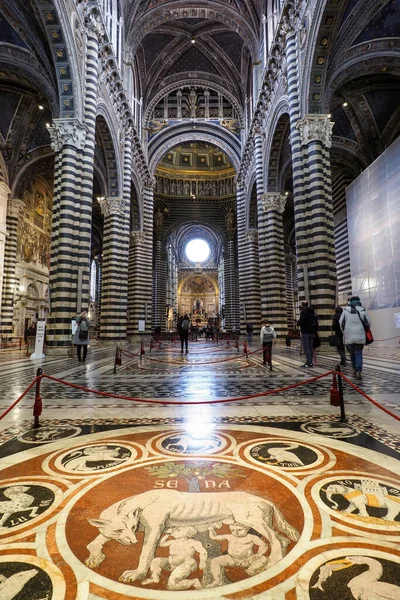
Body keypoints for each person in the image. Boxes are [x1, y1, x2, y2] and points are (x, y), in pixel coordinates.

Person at [142, 526, 206, 590]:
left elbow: (203, 552)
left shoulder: (192, 542)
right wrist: (167, 535)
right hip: (171, 562)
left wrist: (202, 561)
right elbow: (161, 544)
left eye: (178, 530)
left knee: (171, 585)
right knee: (156, 561)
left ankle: (194, 582)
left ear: (187, 533)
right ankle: (154, 577)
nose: (174, 531)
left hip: (186, 564)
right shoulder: (172, 541)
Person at [208, 522, 268, 587]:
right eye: (233, 530)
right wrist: (211, 529)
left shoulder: (251, 537)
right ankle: (218, 581)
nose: (236, 532)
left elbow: (263, 545)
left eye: (239, 530)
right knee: (214, 561)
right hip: (232, 559)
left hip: (247, 560)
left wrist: (258, 554)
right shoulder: (230, 536)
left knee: (263, 559)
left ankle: (256, 579)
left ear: (247, 529)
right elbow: (214, 537)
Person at [339, 296, 371, 379]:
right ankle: (358, 370)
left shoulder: (345, 311)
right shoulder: (363, 310)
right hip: (360, 336)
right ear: (359, 301)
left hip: (349, 335)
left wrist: (345, 332)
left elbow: (341, 323)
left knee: (352, 353)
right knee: (358, 353)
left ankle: (354, 368)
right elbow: (368, 323)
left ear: (350, 302)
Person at [297, 301, 318, 367]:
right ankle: (310, 361)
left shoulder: (303, 312)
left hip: (305, 332)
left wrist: (298, 323)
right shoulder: (313, 312)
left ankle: (309, 362)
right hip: (312, 332)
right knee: (310, 347)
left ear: (303, 305)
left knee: (306, 348)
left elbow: (302, 321)